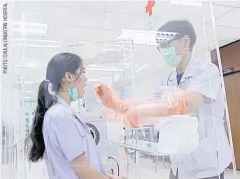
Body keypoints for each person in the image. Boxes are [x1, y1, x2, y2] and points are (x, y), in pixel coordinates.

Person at [95, 20, 232, 179]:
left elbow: (185, 104)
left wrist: (139, 112)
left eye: (166, 44)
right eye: (161, 46)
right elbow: (150, 103)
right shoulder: (168, 78)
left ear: (185, 42)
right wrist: (117, 104)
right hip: (178, 164)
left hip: (206, 165)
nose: (164, 50)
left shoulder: (207, 71)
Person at [25, 52, 121, 179]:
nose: (86, 79)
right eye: (83, 72)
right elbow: (83, 169)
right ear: (69, 77)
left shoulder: (62, 114)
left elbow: (84, 164)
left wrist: (107, 176)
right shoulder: (60, 116)